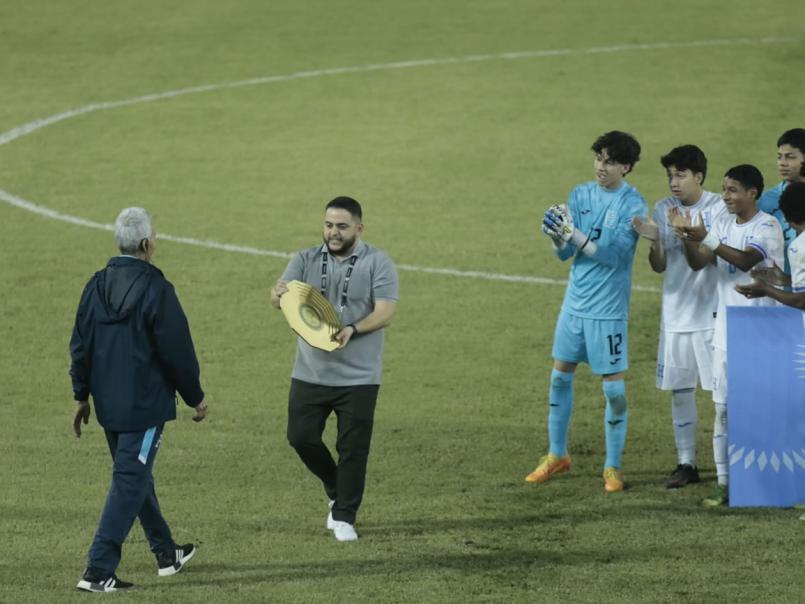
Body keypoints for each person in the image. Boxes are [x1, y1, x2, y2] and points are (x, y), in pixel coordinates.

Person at [70, 207, 208, 592]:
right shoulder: (157, 289)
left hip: (109, 407)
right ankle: (98, 570)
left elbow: (80, 346)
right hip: (144, 408)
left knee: (135, 476)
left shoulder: (95, 286)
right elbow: (176, 350)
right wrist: (195, 397)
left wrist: (81, 396)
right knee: (130, 480)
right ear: (147, 244)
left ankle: (167, 554)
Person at [270, 196, 398, 542]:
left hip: (359, 377)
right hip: (310, 372)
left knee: (353, 449)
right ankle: (334, 485)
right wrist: (278, 292)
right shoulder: (304, 259)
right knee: (300, 437)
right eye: (328, 225)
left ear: (359, 228)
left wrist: (353, 330)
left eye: (342, 226)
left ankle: (344, 515)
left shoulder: (378, 262)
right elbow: (278, 296)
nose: (333, 233)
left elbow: (385, 312)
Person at [527, 131, 648, 493]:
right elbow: (566, 255)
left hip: (608, 312)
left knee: (613, 392)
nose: (601, 166)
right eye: (598, 158)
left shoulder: (633, 205)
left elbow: (614, 257)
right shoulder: (579, 194)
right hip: (574, 306)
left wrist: (574, 236)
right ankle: (557, 455)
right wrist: (556, 238)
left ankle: (612, 467)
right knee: (560, 378)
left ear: (625, 166)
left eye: (610, 161)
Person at [674, 165, 784, 506]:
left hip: (760, 330)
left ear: (753, 193)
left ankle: (770, 481)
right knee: (722, 409)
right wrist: (689, 239)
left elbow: (746, 258)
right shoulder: (722, 222)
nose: (726, 197)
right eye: (724, 190)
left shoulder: (767, 226)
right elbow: (699, 263)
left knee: (764, 409)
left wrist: (705, 236)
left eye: (734, 190)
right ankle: (724, 482)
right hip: (725, 329)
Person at [632, 145, 727, 488]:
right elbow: (659, 266)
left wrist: (685, 232)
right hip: (675, 315)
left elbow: (700, 260)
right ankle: (686, 463)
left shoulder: (717, 207)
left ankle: (726, 469)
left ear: (699, 176)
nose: (674, 182)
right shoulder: (663, 208)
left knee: (721, 395)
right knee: (681, 392)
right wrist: (655, 240)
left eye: (681, 175)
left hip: (711, 316)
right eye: (670, 175)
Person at [736, 181, 805, 308]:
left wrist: (767, 290)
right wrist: (786, 280)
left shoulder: (799, 247)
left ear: (788, 219)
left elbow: (801, 301)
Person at [757, 128, 805, 273]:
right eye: (779, 157)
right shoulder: (767, 200)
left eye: (790, 157)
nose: (782, 163)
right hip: (783, 288)